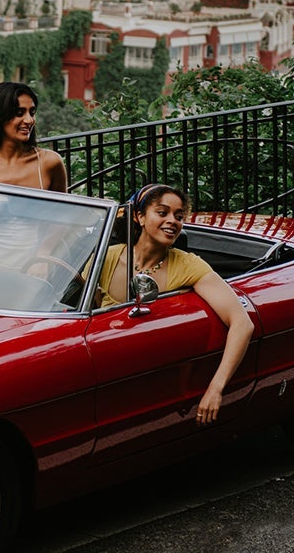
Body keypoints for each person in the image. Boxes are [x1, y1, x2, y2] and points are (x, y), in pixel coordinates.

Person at [98, 182, 257, 425]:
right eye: (162, 213)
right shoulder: (108, 256)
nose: (172, 221)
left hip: (157, 373)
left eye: (179, 216)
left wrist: (215, 388)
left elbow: (242, 323)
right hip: (107, 367)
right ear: (139, 217)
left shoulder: (188, 265)